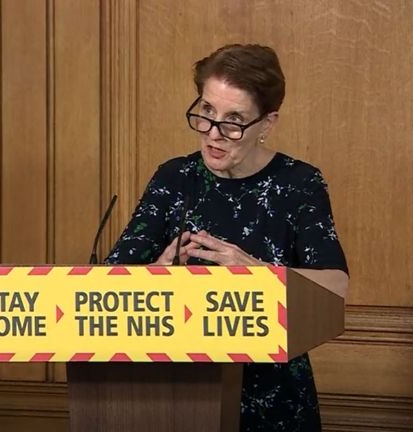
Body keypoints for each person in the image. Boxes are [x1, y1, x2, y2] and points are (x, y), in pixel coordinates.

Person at [104, 44, 349, 432]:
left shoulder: (299, 184)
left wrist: (259, 273)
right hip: (176, 397)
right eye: (206, 112)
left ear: (267, 124)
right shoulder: (174, 178)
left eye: (233, 120)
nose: (214, 134)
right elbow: (105, 282)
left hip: (274, 398)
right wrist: (155, 272)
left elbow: (335, 287)